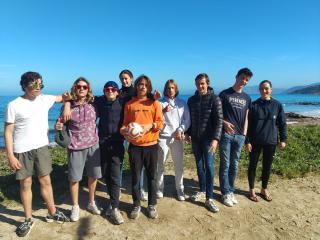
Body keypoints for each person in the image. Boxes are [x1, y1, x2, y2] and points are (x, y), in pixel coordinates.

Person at [4, 71, 70, 237]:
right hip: (21, 149)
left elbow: (63, 97)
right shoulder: (14, 105)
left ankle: (52, 212)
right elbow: (8, 132)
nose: (38, 87)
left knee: (45, 181)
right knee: (25, 184)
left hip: (41, 147)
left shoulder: (44, 99)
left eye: (41, 84)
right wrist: (10, 155)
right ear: (25, 86)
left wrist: (68, 102)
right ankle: (28, 219)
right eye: (34, 84)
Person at [56, 77, 102, 222]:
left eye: (84, 87)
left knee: (93, 176)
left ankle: (91, 202)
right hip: (75, 146)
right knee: (74, 178)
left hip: (93, 145)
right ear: (74, 89)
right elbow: (60, 124)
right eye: (78, 87)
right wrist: (58, 126)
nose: (81, 89)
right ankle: (75, 206)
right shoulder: (67, 106)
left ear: (88, 89)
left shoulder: (94, 104)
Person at [120, 75, 163, 219]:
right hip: (135, 147)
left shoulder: (154, 103)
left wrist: (149, 126)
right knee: (136, 178)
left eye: (145, 84)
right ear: (136, 86)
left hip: (151, 146)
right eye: (140, 84)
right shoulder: (130, 104)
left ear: (148, 87)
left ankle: (151, 205)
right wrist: (125, 131)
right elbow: (124, 125)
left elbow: (160, 123)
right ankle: (136, 205)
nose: (142, 86)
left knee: (152, 177)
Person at [186, 73, 223, 213]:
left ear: (207, 83)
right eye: (198, 84)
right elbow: (189, 119)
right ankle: (202, 190)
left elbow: (219, 121)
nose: (200, 86)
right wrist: (188, 133)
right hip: (195, 139)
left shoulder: (215, 99)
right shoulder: (191, 100)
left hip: (209, 140)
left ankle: (210, 198)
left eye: (202, 83)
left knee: (209, 166)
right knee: (199, 165)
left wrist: (216, 139)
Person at [246, 80, 287, 202]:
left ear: (271, 89)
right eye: (262, 89)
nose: (264, 91)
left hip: (271, 141)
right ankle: (252, 190)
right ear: (259, 90)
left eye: (267, 88)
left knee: (267, 167)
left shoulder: (277, 105)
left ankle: (264, 189)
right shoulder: (254, 105)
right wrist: (247, 141)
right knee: (252, 166)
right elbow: (247, 125)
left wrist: (283, 139)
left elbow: (282, 123)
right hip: (255, 141)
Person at [218, 67, 253, 207]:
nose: (243, 81)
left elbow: (246, 118)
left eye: (246, 79)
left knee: (235, 165)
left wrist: (244, 134)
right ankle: (225, 193)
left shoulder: (247, 98)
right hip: (226, 135)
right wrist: (224, 123)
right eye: (242, 77)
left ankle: (231, 191)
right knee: (225, 165)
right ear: (236, 76)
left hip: (239, 136)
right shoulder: (224, 94)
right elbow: (216, 114)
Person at [94, 81, 126, 224]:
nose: (110, 91)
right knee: (106, 173)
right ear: (104, 91)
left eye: (113, 89)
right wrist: (68, 104)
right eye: (107, 89)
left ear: (117, 91)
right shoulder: (100, 101)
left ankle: (115, 207)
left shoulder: (123, 101)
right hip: (102, 143)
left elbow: (140, 97)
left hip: (117, 144)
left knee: (115, 175)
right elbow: (82, 97)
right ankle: (112, 203)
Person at [156, 79, 190, 201]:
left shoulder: (182, 103)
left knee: (179, 165)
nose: (171, 90)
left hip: (177, 138)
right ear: (165, 89)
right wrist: (163, 111)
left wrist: (181, 129)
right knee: (160, 165)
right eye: (168, 88)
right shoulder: (160, 103)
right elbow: (155, 118)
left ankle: (180, 189)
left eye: (173, 88)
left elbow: (187, 120)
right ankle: (159, 189)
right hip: (163, 138)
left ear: (176, 89)